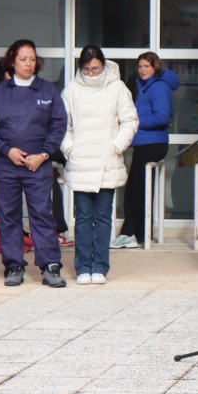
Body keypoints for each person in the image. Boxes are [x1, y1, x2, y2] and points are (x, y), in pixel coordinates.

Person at [0, 40, 68, 288]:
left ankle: (50, 266)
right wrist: (7, 151)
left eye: (32, 59)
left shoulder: (47, 90)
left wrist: (44, 155)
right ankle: (13, 266)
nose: (29, 63)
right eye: (23, 59)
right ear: (12, 61)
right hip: (4, 165)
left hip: (37, 165)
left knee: (42, 215)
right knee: (8, 216)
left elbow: (58, 125)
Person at [0, 62, 73, 248]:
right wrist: (3, 144)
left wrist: (43, 154)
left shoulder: (42, 91)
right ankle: (14, 259)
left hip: (36, 159)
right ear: (6, 73)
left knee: (42, 208)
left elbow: (56, 124)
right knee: (9, 212)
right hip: (5, 159)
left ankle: (51, 249)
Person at [61, 46, 138, 285]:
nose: (91, 74)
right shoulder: (72, 89)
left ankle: (100, 267)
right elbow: (62, 125)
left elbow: (130, 120)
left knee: (103, 216)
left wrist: (116, 146)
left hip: (107, 161)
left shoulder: (118, 88)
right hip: (81, 161)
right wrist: (70, 149)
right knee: (83, 217)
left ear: (104, 65)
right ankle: (83, 267)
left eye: (95, 69)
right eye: (86, 70)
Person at [115, 51, 178, 249]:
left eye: (146, 66)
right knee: (135, 189)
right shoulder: (147, 86)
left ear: (155, 67)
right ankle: (136, 232)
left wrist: (135, 122)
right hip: (146, 144)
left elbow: (162, 117)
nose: (142, 70)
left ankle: (132, 233)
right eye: (140, 66)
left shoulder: (157, 87)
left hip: (151, 144)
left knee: (135, 190)